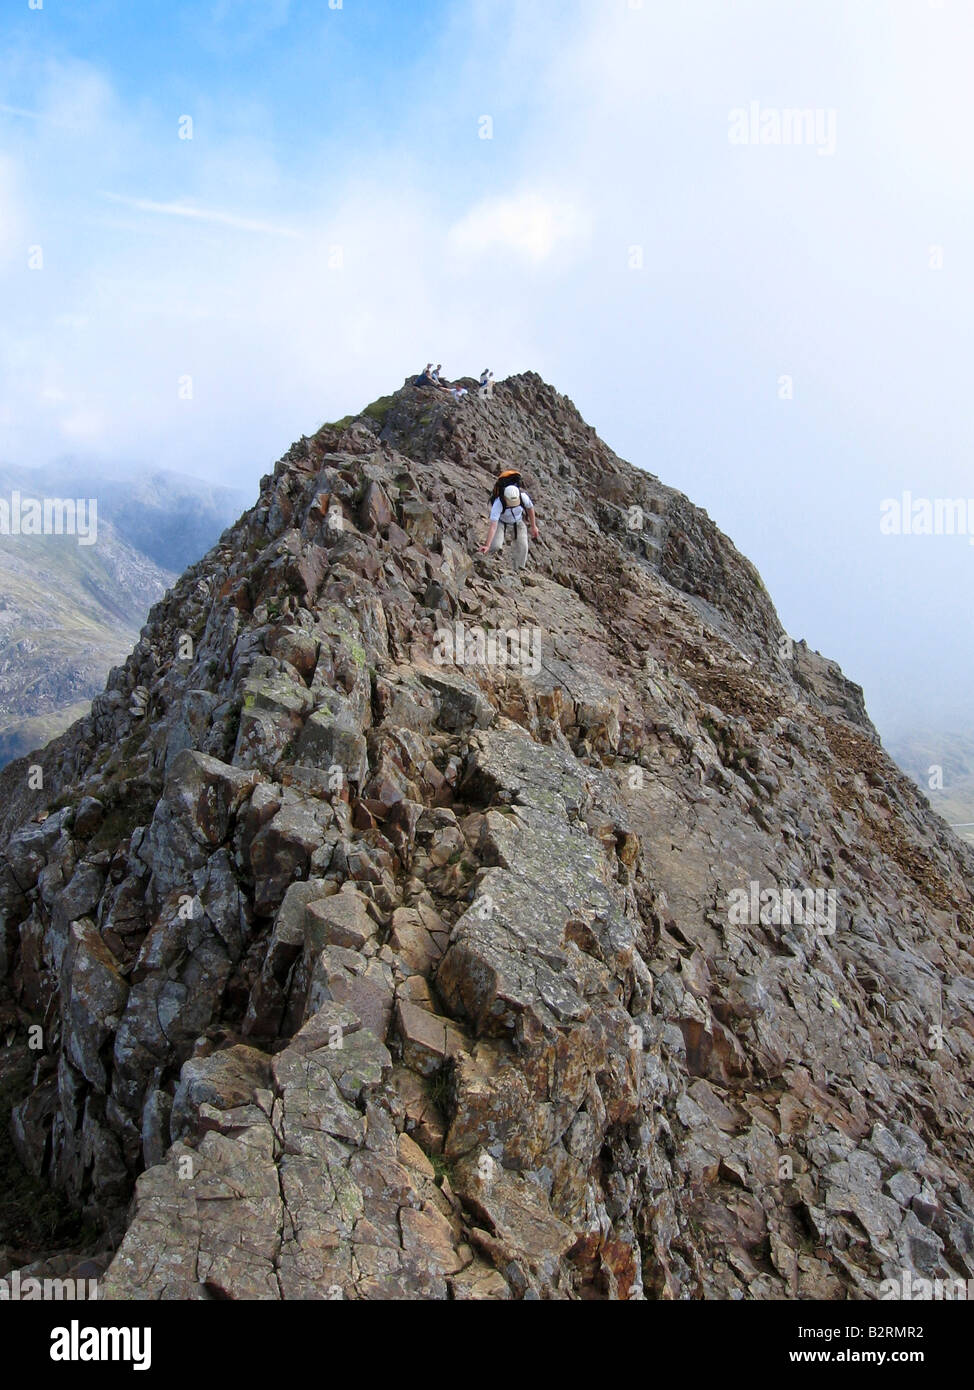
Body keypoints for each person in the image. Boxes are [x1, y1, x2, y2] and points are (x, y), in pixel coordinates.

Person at [479, 470, 538, 570]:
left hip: (518, 522)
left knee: (523, 547)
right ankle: (487, 566)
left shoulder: (523, 497)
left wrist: (534, 526)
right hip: (501, 523)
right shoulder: (498, 503)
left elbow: (530, 508)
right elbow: (493, 526)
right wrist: (487, 545)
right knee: (496, 546)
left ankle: (519, 570)